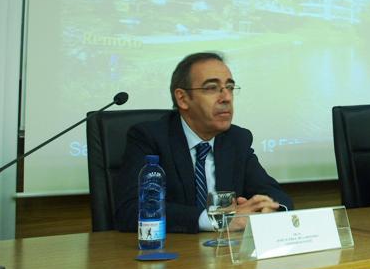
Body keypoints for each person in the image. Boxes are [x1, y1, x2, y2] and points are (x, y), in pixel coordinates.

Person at [115, 52, 293, 233]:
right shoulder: (150, 138)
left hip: (225, 255)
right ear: (183, 98)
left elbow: (276, 195)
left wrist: (267, 209)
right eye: (212, 88)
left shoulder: (237, 139)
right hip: (171, 253)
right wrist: (218, 221)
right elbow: (131, 209)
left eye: (230, 87)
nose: (227, 98)